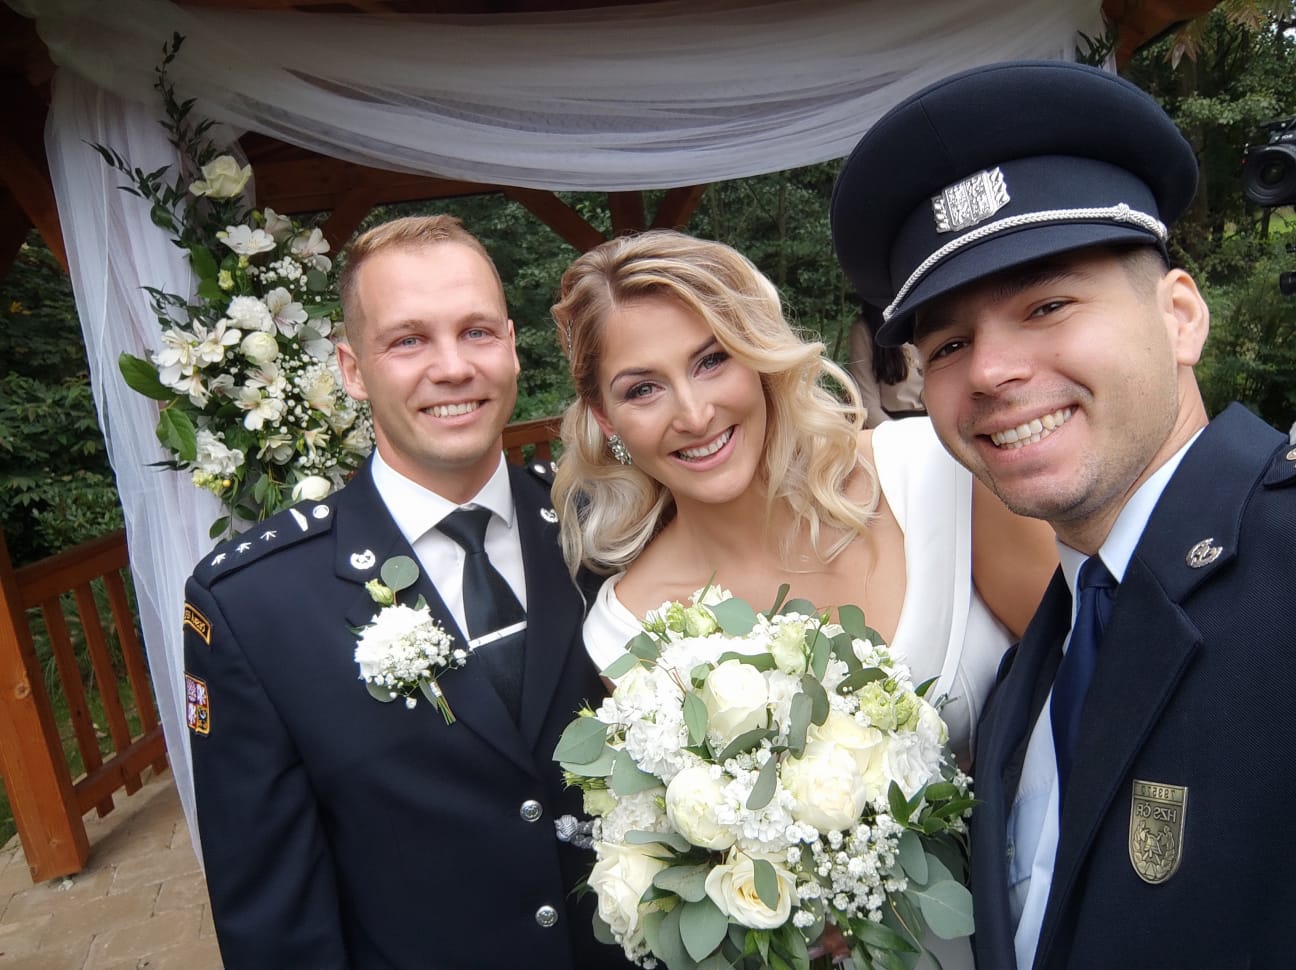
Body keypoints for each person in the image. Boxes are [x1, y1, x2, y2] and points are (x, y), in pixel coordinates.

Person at [830, 60, 1296, 970]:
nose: (991, 370)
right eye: (949, 344)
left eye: (1047, 304)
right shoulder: (1035, 660)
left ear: (1181, 316)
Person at [182, 215, 626, 969]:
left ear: (512, 346)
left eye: (476, 332)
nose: (452, 367)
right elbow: (274, 918)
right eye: (409, 340)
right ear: (353, 370)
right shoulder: (256, 605)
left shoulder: (607, 530)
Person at [550, 228, 1056, 770]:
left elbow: (1092, 674)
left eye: (712, 360)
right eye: (643, 389)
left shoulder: (934, 474)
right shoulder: (626, 634)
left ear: (758, 357)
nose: (694, 416)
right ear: (605, 418)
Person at [847, 302, 926, 428]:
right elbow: (867, 404)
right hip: (895, 427)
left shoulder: (928, 316)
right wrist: (896, 435)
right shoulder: (865, 329)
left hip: (938, 423)